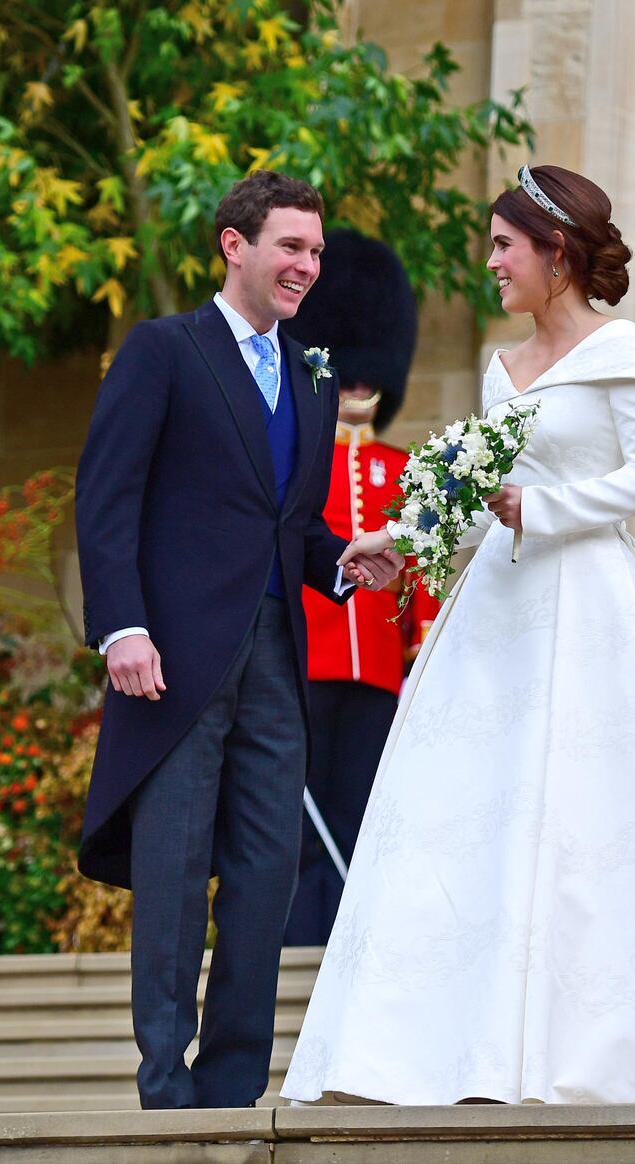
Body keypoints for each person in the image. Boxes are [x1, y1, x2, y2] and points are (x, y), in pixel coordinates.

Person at [281, 164, 635, 1106]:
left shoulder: (628, 352)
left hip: (593, 603)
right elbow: (481, 503)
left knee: (595, 818)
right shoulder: (501, 369)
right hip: (501, 612)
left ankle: (603, 1038)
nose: (491, 264)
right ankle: (452, 1048)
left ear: (556, 253)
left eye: (503, 247)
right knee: (472, 811)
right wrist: (401, 541)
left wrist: (548, 506)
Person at [75, 170, 402, 1110]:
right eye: (291, 247)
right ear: (235, 245)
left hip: (276, 655)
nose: (307, 266)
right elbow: (108, 499)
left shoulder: (313, 372)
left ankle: (230, 1085)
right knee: (174, 866)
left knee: (267, 867)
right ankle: (164, 1085)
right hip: (172, 659)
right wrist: (122, 628)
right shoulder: (162, 350)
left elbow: (289, 527)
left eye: (316, 252)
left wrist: (350, 560)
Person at [280, 230, 439, 946]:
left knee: (360, 812)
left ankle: (348, 946)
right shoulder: (299, 458)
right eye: (348, 376)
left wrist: (421, 659)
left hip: (377, 671)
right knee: (300, 818)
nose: (358, 388)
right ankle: (295, 940)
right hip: (307, 662)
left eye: (367, 378)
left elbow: (422, 575)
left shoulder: (403, 468)